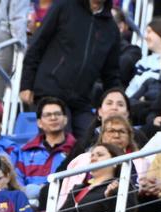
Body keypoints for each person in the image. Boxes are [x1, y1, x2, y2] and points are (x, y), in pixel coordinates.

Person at [21, 0, 122, 140]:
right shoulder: (64, 6)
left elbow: (111, 73)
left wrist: (118, 100)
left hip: (82, 100)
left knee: (92, 140)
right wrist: (26, 84)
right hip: (50, 90)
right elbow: (38, 43)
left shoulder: (111, 28)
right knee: (60, 141)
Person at [0, 97, 78, 201]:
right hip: (27, 202)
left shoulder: (76, 150)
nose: (53, 118)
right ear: (39, 122)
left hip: (60, 201)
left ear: (65, 119)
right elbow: (17, 179)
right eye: (48, 115)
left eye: (57, 114)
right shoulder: (25, 151)